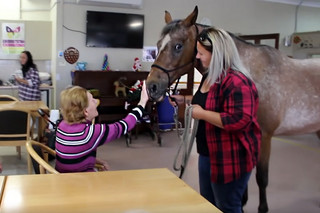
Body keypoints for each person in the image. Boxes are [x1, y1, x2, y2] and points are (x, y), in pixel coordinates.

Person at [171, 27, 261, 212]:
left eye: (201, 53)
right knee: (209, 204)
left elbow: (239, 120)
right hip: (207, 153)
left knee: (227, 206)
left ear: (217, 54)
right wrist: (185, 100)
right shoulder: (210, 76)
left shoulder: (237, 82)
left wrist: (202, 114)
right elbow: (209, 102)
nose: (197, 56)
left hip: (230, 156)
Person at [55, 81, 149, 173]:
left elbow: (74, 152)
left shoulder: (62, 125)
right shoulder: (89, 133)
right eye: (92, 100)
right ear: (85, 111)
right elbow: (124, 125)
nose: (96, 101)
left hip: (63, 178)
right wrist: (142, 102)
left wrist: (94, 160)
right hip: (81, 182)